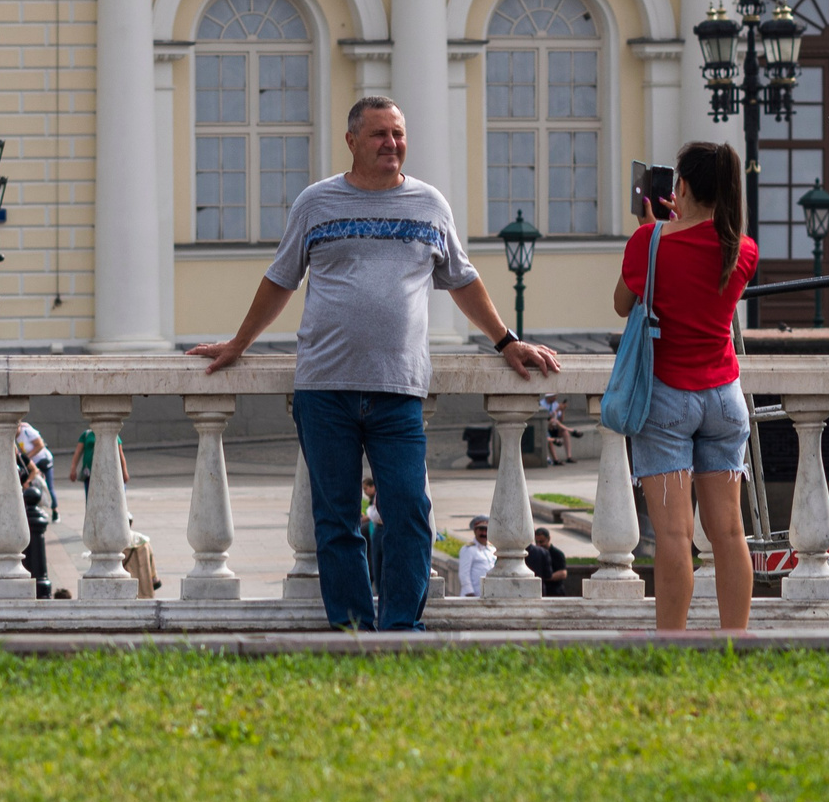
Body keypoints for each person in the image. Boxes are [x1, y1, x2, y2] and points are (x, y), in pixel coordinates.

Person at [194, 96, 561, 632]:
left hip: (398, 391)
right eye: (379, 134)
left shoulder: (429, 205)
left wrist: (506, 341)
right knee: (336, 520)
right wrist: (239, 344)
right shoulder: (316, 203)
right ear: (351, 141)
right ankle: (352, 631)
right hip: (325, 388)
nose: (392, 143)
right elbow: (280, 279)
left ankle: (400, 630)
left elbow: (463, 280)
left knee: (410, 513)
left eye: (398, 133)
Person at [614, 139, 759, 634]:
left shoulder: (649, 242)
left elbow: (622, 304)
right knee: (729, 532)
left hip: (666, 397)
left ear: (682, 185)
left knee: (675, 536)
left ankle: (672, 646)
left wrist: (653, 231)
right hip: (725, 398)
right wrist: (676, 225)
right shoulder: (743, 249)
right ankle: (735, 642)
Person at [18, 419, 59, 519]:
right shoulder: (13, 437)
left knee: (47, 486)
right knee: (32, 487)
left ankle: (55, 510)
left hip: (43, 461)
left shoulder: (27, 431)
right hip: (31, 464)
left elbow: (40, 445)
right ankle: (38, 509)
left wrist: (27, 457)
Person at [527, 526, 571, 596]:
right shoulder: (537, 553)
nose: (539, 545)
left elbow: (563, 573)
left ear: (548, 539)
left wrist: (544, 577)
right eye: (537, 542)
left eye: (541, 542)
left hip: (555, 590)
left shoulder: (557, 554)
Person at [458, 518, 496, 597]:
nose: (484, 533)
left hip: (489, 594)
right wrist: (469, 592)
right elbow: (464, 573)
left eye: (486, 530)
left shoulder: (493, 550)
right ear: (475, 531)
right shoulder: (468, 549)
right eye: (481, 530)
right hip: (472, 595)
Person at [539, 393, 575, 465]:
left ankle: (569, 457)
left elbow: (561, 420)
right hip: (544, 427)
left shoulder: (555, 404)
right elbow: (546, 418)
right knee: (552, 422)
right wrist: (557, 410)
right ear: (549, 397)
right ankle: (556, 459)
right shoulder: (541, 404)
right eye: (554, 396)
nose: (555, 398)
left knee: (565, 432)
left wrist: (562, 410)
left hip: (555, 427)